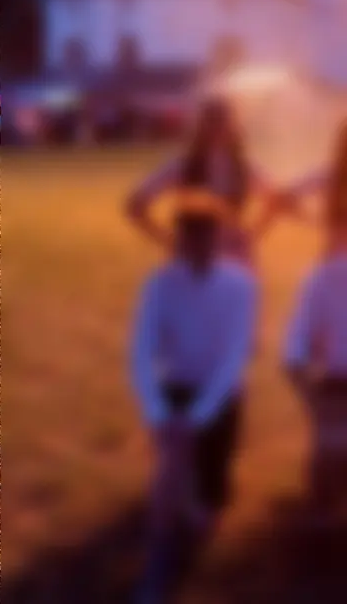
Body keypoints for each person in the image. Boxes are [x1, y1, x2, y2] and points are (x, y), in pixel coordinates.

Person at [129, 201, 257, 604]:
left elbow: (234, 358)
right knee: (169, 472)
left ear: (217, 240)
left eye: (204, 238)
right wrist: (159, 414)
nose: (195, 247)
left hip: (221, 398)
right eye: (188, 239)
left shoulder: (240, 287)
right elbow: (142, 350)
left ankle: (200, 522)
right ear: (179, 240)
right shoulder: (161, 284)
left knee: (207, 509)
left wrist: (198, 418)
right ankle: (159, 560)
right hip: (177, 391)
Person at [283, 124, 347, 523]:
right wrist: (312, 222)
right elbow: (285, 195)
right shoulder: (330, 174)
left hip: (336, 259)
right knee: (331, 343)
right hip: (335, 263)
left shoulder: (330, 174)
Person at [127, 97, 279, 262]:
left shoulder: (242, 167)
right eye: (213, 123)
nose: (217, 129)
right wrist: (168, 241)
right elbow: (136, 205)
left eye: (220, 123)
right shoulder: (183, 166)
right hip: (196, 257)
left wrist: (251, 235)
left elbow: (277, 200)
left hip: (230, 256)